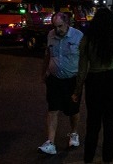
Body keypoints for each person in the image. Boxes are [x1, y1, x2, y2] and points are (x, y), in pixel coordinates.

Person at [72, 7, 113, 164]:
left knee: (92, 124)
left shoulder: (87, 39)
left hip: (94, 82)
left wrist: (77, 90)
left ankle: (88, 159)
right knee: (110, 125)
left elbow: (82, 68)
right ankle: (107, 159)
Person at [38, 12, 83, 155]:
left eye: (60, 26)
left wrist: (82, 79)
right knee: (53, 109)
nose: (57, 30)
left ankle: (74, 133)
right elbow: (48, 54)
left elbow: (84, 59)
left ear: (67, 23)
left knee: (73, 110)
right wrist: (44, 72)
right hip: (54, 79)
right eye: (55, 26)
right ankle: (50, 142)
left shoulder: (78, 36)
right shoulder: (51, 35)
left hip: (72, 80)